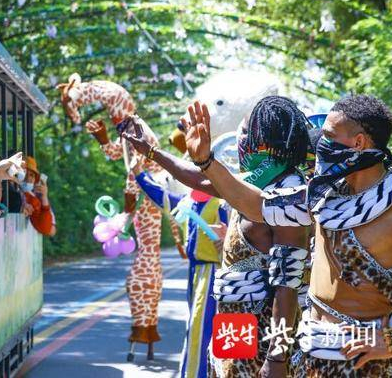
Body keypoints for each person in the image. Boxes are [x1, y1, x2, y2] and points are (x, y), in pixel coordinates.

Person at [176, 95, 392, 375]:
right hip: (311, 360)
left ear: (359, 143)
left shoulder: (388, 206)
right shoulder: (322, 196)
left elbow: (286, 286)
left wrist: (389, 340)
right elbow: (256, 203)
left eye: (329, 136)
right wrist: (205, 161)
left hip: (366, 365)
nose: (320, 144)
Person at [123, 96, 312, 378]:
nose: (239, 139)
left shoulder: (290, 195)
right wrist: (152, 152)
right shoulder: (258, 180)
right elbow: (200, 179)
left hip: (264, 335)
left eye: (245, 132)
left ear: (265, 141)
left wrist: (277, 357)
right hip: (236, 324)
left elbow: (287, 285)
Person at [22, 156, 55, 236]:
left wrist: (44, 197)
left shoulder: (35, 197)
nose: (28, 178)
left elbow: (50, 230)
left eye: (31, 175)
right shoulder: (29, 197)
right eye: (24, 173)